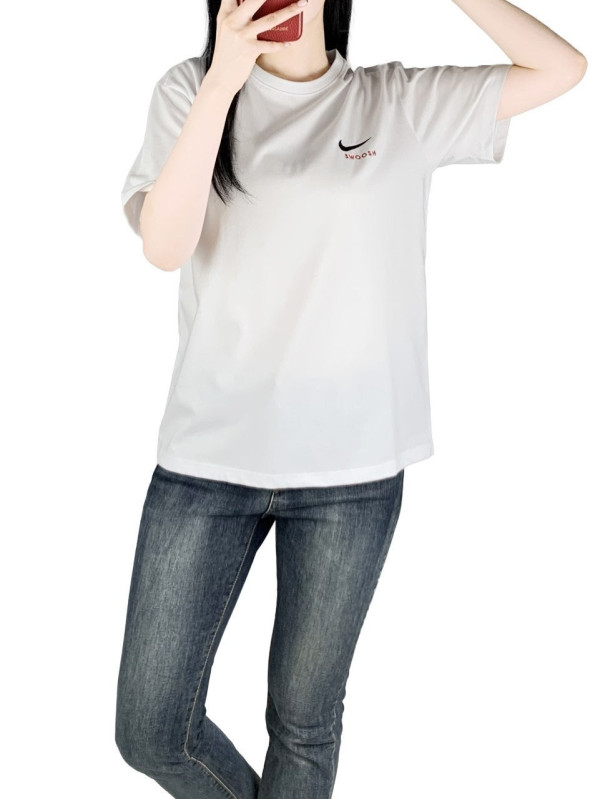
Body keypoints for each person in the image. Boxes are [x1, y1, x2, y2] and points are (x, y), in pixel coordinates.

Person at [114, 1, 587, 797]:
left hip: (351, 473)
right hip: (207, 460)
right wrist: (225, 80)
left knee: (304, 724)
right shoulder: (190, 91)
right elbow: (165, 246)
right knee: (151, 728)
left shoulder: (395, 103)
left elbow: (563, 68)